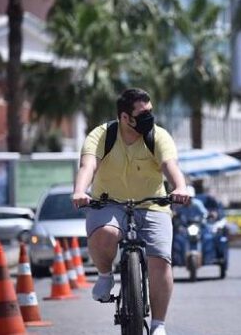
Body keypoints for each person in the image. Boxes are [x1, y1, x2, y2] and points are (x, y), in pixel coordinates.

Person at [72, 88, 190, 335]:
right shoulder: (102, 135)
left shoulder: (158, 136)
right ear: (125, 117)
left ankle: (158, 324)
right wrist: (80, 191)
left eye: (151, 111)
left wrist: (180, 187)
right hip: (108, 202)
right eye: (143, 113)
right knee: (104, 233)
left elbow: (171, 166)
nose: (150, 117)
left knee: (160, 259)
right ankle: (105, 276)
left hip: (152, 203)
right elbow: (88, 165)